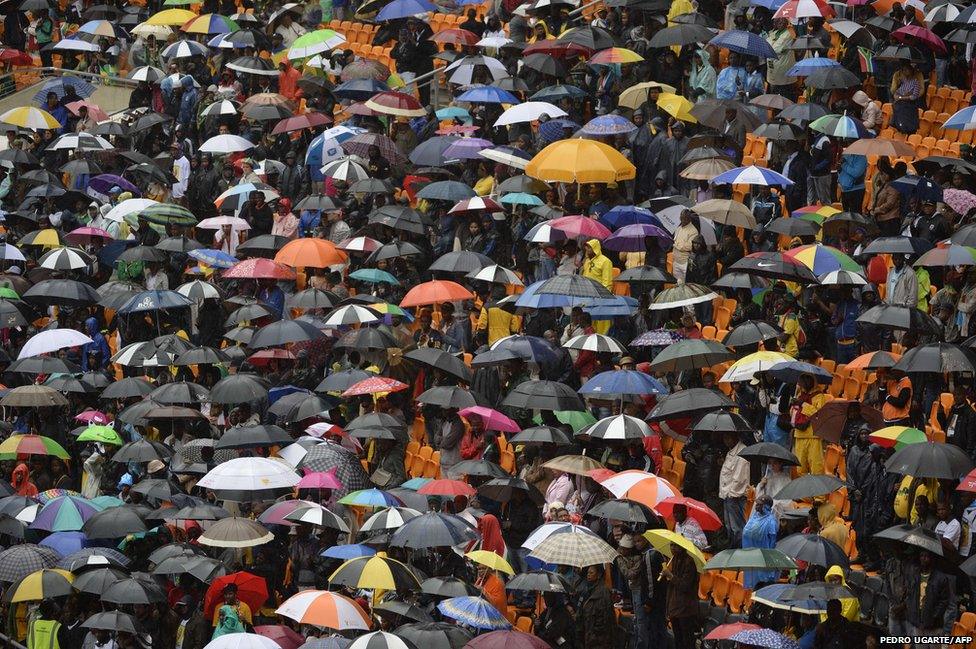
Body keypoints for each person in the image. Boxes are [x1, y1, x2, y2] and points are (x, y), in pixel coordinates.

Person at [662, 543, 699, 649]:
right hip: (674, 607)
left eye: (675, 546)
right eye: (671, 546)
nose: (672, 548)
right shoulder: (673, 560)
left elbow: (685, 586)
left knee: (687, 639)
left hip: (685, 608)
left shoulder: (689, 562)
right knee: (677, 639)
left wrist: (670, 575)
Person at [718, 432, 749, 547]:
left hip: (735, 496)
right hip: (727, 494)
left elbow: (740, 478)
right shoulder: (730, 452)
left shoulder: (742, 453)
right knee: (728, 525)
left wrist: (731, 494)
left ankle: (739, 549)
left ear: (735, 437)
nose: (726, 441)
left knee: (737, 527)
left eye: (728, 438)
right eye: (724, 438)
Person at [741, 496, 779, 588]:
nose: (756, 506)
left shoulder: (771, 521)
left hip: (763, 561)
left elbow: (772, 542)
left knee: (762, 587)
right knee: (753, 589)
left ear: (766, 506)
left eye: (759, 504)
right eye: (756, 504)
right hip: (751, 559)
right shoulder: (754, 517)